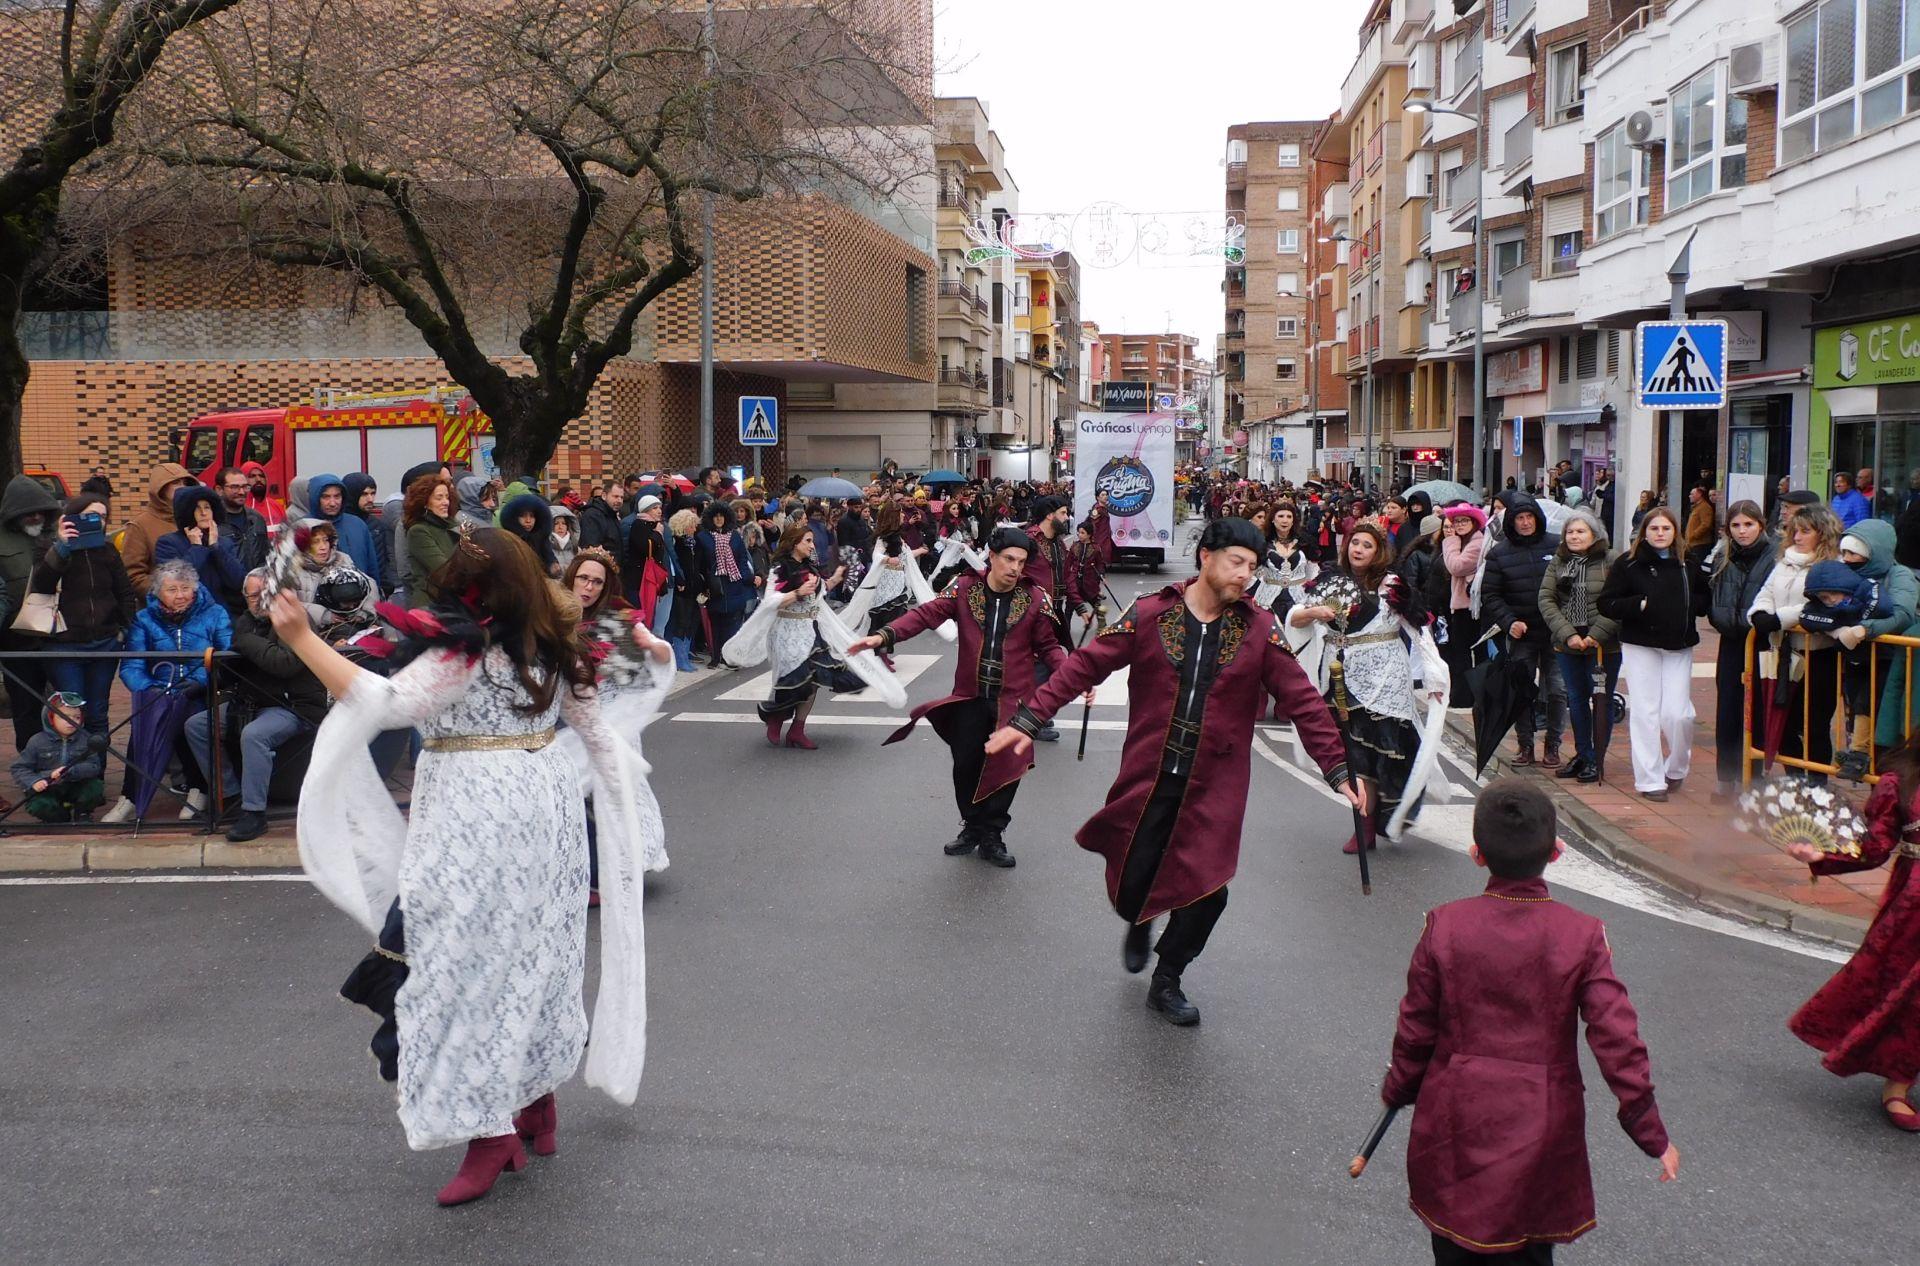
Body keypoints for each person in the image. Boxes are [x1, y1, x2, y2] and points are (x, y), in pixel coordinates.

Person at [275, 528, 669, 1206]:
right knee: (536, 957)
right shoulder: (555, 641)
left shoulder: (469, 645)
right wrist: (622, 816)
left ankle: (489, 1131)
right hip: (545, 810)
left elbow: (389, 704)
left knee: (465, 969)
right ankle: (535, 1104)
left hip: (477, 814)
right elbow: (595, 729)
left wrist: (300, 639)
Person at [983, 517, 1359, 1026]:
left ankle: (1168, 978)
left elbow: (1304, 702)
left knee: (1209, 889)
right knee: (1137, 871)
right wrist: (1030, 719)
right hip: (1150, 773)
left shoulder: (1259, 630)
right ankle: (1139, 917)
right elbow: (1083, 666)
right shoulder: (1150, 615)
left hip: (1216, 784)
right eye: (1236, 562)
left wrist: (1336, 768)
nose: (1246, 575)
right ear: (1205, 557)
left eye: (1252, 566)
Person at [1381, 779, 1678, 1265]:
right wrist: (1649, 1130)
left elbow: (1415, 1031)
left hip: (1456, 1119)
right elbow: (1616, 1037)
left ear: (1477, 854)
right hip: (1541, 1126)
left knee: (1455, 1250)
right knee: (1529, 1253)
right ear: (1557, 852)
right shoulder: (1582, 936)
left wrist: (1399, 1090)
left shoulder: (1445, 926)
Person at [852, 527, 1081, 868]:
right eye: (1009, 560)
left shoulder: (1035, 599)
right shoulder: (964, 588)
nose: (1016, 568)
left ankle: (992, 834)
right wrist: (883, 636)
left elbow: (1048, 646)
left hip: (1012, 704)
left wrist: (1073, 675)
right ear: (992, 557)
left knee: (1008, 769)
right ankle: (972, 826)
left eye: (1021, 562)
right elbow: (925, 614)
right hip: (970, 699)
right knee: (966, 766)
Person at [1280, 521, 1447, 851]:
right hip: (1339, 673)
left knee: (1383, 751)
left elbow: (1419, 629)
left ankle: (1379, 818)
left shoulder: (1393, 585)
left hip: (1385, 674)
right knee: (1352, 752)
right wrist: (1314, 610)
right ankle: (1364, 825)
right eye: (1355, 542)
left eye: (1366, 545)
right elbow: (1294, 616)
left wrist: (1433, 674)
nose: (1358, 549)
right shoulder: (1329, 579)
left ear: (1379, 551)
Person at [1787, 726, 1920, 1131]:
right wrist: (1821, 854)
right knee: (1910, 994)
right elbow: (1875, 846)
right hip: (1915, 906)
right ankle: (1897, 1082)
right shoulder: (1902, 780)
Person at [183, 569, 330, 842]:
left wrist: (247, 642)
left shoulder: (294, 620)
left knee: (254, 735)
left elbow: (285, 664)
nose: (257, 601)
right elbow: (241, 662)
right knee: (197, 725)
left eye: (263, 594)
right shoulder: (246, 621)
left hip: (292, 704)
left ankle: (254, 813)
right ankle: (231, 795)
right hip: (250, 700)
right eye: (251, 595)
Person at [721, 522, 894, 749]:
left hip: (810, 632)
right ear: (794, 543)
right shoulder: (780, 568)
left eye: (812, 541)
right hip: (786, 633)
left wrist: (835, 578)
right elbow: (770, 600)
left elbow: (819, 593)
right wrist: (796, 593)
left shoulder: (810, 567)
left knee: (814, 681)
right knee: (793, 681)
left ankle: (797, 729)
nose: (812, 546)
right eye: (808, 541)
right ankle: (776, 718)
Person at [99, 560, 234, 824]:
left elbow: (225, 656)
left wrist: (199, 682)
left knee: (190, 722)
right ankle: (131, 797)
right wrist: (152, 690)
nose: (181, 595)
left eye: (186, 588)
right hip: (159, 691)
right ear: (158, 592)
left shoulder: (214, 613)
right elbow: (132, 664)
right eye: (172, 589)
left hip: (200, 690)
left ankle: (198, 790)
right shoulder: (144, 619)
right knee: (143, 728)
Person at [1597, 507, 1699, 802]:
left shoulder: (1687, 562)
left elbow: (1703, 595)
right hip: (1640, 643)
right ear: (1644, 532)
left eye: (1666, 529)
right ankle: (1650, 779)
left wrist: (1690, 608)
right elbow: (1607, 602)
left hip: (1679, 644)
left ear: (1675, 532)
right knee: (1646, 711)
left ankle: (1677, 767)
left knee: (1678, 714)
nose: (1660, 534)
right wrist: (1636, 605)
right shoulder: (1628, 564)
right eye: (1654, 529)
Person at [1749, 504, 1843, 783]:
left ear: (1822, 533)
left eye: (1805, 531)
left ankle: (1817, 783)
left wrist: (1780, 618)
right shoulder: (1785, 561)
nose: (1798, 537)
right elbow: (1765, 592)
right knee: (1783, 719)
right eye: (1795, 531)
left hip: (1818, 654)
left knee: (1815, 723)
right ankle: (1795, 776)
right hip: (1784, 652)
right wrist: (1760, 614)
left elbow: (1820, 604)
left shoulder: (1832, 566)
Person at [31, 494, 138, 736]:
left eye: (102, 516)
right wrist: (62, 547)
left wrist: (124, 630)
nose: (97, 520)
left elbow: (124, 592)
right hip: (64, 645)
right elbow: (42, 585)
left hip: (104, 643)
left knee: (98, 712)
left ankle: (95, 770)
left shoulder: (108, 551)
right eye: (90, 515)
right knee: (72, 711)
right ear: (72, 517)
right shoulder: (49, 547)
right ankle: (73, 770)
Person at [1481, 493, 1566, 767]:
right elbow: (1491, 595)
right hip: (1521, 633)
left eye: (1530, 517)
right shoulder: (1499, 554)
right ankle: (1525, 744)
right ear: (1512, 522)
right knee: (1521, 691)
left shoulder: (1556, 546)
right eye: (1520, 518)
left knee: (1557, 690)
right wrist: (1509, 622)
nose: (1526, 523)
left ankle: (1553, 744)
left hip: (1555, 632)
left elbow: (1571, 586)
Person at [1830, 519, 1918, 780]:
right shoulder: (1847, 572)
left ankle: (1866, 759)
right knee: (1856, 707)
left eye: (1853, 553)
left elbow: (1902, 614)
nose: (1846, 558)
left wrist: (1865, 629)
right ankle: (1859, 755)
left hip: (1891, 658)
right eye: (1843, 552)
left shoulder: (1899, 575)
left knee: (1874, 713)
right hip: (1857, 657)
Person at [1699, 501, 1775, 800]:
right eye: (1736, 525)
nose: (1743, 531)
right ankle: (1726, 777)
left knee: (1756, 710)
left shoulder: (1774, 556)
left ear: (1761, 525)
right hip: (1731, 641)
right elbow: (1709, 590)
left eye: (1749, 525)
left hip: (1762, 642)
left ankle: (1754, 779)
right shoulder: (1722, 555)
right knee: (1728, 709)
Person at [1540, 508, 1619, 785]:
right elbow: (1547, 599)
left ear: (1594, 535)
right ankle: (1583, 754)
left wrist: (1597, 634)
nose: (1574, 536)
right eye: (1570, 532)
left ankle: (1597, 757)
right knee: (1576, 700)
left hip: (1603, 646)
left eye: (1581, 531)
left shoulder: (1611, 560)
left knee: (1601, 700)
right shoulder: (1559, 561)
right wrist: (1567, 634)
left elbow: (1618, 601)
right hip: (1568, 644)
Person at [10, 692, 107, 822]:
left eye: (77, 717)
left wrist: (72, 770)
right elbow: (19, 768)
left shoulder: (86, 739)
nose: (71, 721)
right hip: (48, 787)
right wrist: (34, 781)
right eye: (64, 717)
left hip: (76, 784)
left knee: (95, 788)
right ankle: (58, 816)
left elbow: (94, 766)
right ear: (50, 718)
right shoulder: (37, 741)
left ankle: (83, 812)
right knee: (39, 804)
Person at [154, 483, 247, 613]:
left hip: (220, 616)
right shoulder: (168, 543)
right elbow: (176, 582)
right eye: (197, 508)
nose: (203, 513)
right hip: (185, 616)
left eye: (207, 507)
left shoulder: (224, 543)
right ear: (187, 512)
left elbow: (238, 581)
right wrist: (197, 547)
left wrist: (216, 547)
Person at [117, 462, 195, 594]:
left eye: (185, 483)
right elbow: (133, 575)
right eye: (176, 483)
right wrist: (167, 592)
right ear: (160, 488)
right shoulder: (139, 526)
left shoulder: (196, 518)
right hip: (162, 608)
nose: (182, 487)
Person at [1438, 503, 1488, 709]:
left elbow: (1455, 566)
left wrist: (1449, 541)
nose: (1459, 525)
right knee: (1463, 653)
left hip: (1471, 607)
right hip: (1461, 606)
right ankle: (1468, 695)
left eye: (1464, 521)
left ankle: (1469, 696)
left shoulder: (1476, 543)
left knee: (1467, 653)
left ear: (1474, 522)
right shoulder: (1464, 542)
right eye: (1456, 521)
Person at [696, 501, 757, 668]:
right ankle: (716, 657)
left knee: (734, 622)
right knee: (716, 622)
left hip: (734, 583)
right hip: (715, 586)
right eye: (715, 516)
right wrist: (704, 584)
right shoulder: (703, 537)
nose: (719, 519)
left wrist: (748, 578)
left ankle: (729, 657)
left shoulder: (735, 536)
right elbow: (699, 564)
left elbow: (742, 560)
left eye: (721, 516)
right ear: (710, 518)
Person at [382, 461, 446, 606]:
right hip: (425, 598)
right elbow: (406, 572)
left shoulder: (450, 522)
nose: (452, 488)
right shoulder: (410, 525)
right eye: (439, 496)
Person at [305, 473, 383, 590]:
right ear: (315, 498)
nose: (332, 503)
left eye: (337, 496)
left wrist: (375, 595)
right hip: (315, 602)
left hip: (360, 598)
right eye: (326, 497)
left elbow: (372, 567)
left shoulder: (357, 524)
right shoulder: (303, 527)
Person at [404, 476, 461, 609]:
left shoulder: (454, 526)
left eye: (447, 497)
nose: (445, 502)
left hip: (454, 602)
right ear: (424, 502)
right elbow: (443, 569)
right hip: (430, 605)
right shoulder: (418, 531)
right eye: (439, 498)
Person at [664, 508, 702, 671]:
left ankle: (685, 656)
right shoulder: (677, 543)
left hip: (694, 588)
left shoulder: (695, 544)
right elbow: (677, 565)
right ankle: (680, 659)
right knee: (681, 622)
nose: (694, 529)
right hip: (682, 588)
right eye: (692, 526)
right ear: (684, 526)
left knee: (692, 622)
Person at [623, 494, 670, 622]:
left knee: (650, 614)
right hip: (639, 578)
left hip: (651, 577)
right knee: (640, 615)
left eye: (659, 507)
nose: (659, 511)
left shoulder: (656, 525)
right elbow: (645, 547)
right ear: (646, 509)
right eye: (654, 508)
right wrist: (656, 534)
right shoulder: (639, 525)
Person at [501, 492, 556, 575]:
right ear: (513, 517)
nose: (528, 521)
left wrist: (553, 566)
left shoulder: (542, 541)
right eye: (523, 516)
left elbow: (551, 564)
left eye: (532, 516)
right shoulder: (507, 542)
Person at [578, 480, 625, 550]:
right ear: (604, 496)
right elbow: (591, 548)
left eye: (622, 497)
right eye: (616, 496)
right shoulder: (592, 516)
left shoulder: (612, 515)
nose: (619, 501)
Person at [240, 460, 286, 528]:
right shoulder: (238, 508)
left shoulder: (276, 506)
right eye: (252, 476)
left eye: (261, 476)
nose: (258, 479)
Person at [549, 502, 580, 577]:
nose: (560, 527)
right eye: (556, 524)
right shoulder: (544, 548)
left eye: (563, 523)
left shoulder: (576, 548)